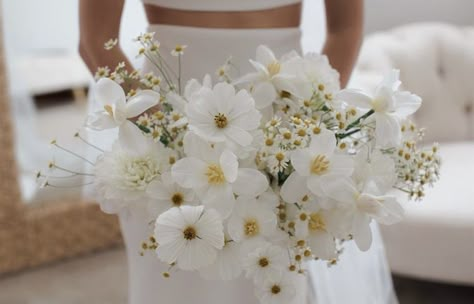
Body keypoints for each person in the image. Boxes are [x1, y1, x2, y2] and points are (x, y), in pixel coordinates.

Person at [79, 1, 398, 303]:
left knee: (269, 284)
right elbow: (95, 41)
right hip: (165, 137)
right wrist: (170, 135)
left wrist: (308, 121)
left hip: (283, 130)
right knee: (172, 284)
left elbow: (345, 30)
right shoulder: (166, 139)